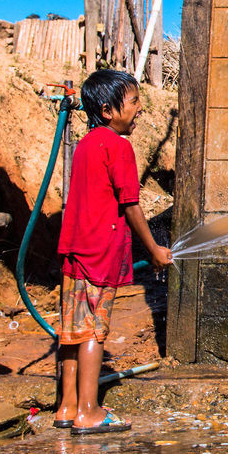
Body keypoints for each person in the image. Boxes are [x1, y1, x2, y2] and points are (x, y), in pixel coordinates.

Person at [54, 69, 172, 435]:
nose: (140, 108)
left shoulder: (87, 143)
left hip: (75, 250)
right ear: (107, 110)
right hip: (100, 253)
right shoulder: (118, 147)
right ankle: (89, 411)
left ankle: (67, 406)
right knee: (94, 333)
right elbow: (132, 205)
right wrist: (153, 249)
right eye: (134, 101)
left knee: (73, 330)